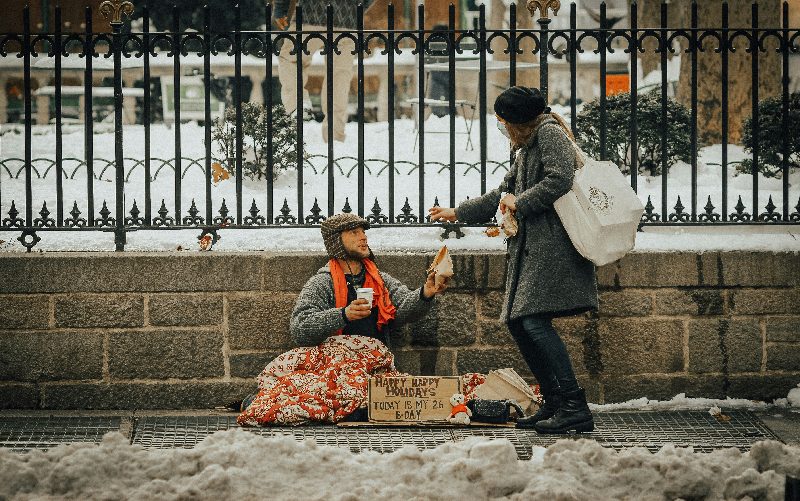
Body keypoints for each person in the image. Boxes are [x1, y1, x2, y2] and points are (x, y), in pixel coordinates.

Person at [429, 86, 598, 434]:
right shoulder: (526, 147)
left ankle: (574, 405)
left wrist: (521, 203)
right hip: (532, 247)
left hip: (553, 247)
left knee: (533, 322)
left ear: (519, 121)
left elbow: (560, 179)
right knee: (519, 322)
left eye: (504, 121)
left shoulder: (549, 135)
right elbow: (501, 193)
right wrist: (457, 211)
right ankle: (553, 401)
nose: (502, 127)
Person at [290, 212, 447, 346]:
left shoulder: (380, 279)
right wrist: (344, 315)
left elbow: (404, 307)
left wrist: (426, 293)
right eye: (354, 232)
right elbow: (300, 329)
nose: (363, 237)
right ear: (336, 241)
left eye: (363, 232)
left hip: (377, 361)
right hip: (336, 364)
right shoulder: (322, 283)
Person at [273, 0, 375, 143]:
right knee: (339, 77)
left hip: (311, 13)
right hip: (347, 18)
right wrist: (358, 7)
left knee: (291, 60)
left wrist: (280, 9)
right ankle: (335, 135)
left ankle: (297, 105)